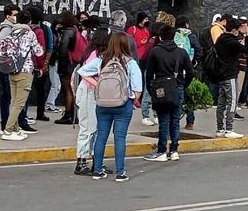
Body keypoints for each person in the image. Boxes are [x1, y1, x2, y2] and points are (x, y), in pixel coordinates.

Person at [77, 32, 142, 182]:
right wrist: (132, 100)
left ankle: (98, 170)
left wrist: (97, 84)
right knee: (120, 137)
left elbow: (82, 71)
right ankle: (120, 172)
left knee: (101, 136)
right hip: (122, 104)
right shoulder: (130, 62)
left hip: (102, 104)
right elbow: (137, 88)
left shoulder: (101, 60)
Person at [144, 25, 195, 162]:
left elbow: (149, 74)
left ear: (160, 37)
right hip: (177, 87)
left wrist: (151, 90)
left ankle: (161, 150)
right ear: (173, 36)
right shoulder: (182, 52)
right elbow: (190, 72)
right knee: (175, 119)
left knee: (163, 120)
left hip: (160, 87)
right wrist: (183, 85)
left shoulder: (154, 52)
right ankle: (174, 150)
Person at [0, 10, 44, 141]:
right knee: (19, 103)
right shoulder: (30, 34)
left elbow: (2, 51)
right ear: (29, 21)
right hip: (25, 71)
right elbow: (39, 52)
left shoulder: (11, 32)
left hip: (11, 70)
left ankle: (15, 128)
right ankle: (7, 130)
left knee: (13, 101)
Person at [74, 28, 110, 176]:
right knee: (87, 129)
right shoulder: (95, 55)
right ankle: (81, 162)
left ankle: (97, 161)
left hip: (91, 93)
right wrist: (98, 83)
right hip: (89, 93)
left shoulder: (93, 52)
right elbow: (84, 73)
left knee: (95, 129)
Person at [215, 18, 248, 139]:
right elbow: (245, 50)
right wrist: (247, 38)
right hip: (230, 74)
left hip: (221, 74)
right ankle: (229, 129)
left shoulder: (220, 39)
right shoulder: (232, 42)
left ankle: (219, 128)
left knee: (221, 103)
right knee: (232, 101)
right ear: (234, 30)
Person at [174, 16, 204, 130]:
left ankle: (175, 120)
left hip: (176, 71)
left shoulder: (174, 35)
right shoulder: (191, 36)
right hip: (188, 69)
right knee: (189, 96)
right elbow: (199, 50)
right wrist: (194, 62)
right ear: (186, 24)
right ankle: (190, 121)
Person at [26, 5, 53, 123]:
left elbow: (49, 47)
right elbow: (49, 47)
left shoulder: (43, 29)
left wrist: (45, 63)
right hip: (37, 63)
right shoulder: (42, 28)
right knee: (35, 89)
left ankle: (37, 113)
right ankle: (34, 114)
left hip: (34, 63)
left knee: (35, 89)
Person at [54, 11, 79, 125]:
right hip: (73, 63)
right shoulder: (75, 30)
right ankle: (73, 114)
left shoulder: (67, 32)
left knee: (67, 90)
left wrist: (57, 52)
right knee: (71, 89)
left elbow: (63, 50)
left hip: (66, 64)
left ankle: (68, 115)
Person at [235, 19, 248, 121]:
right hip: (239, 66)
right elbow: (244, 51)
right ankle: (232, 111)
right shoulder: (240, 38)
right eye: (246, 26)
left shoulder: (239, 37)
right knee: (237, 90)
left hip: (238, 66)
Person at [45, 18, 62, 114]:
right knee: (56, 84)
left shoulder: (56, 34)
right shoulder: (53, 35)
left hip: (55, 61)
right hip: (53, 61)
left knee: (56, 84)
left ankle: (50, 104)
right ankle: (49, 104)